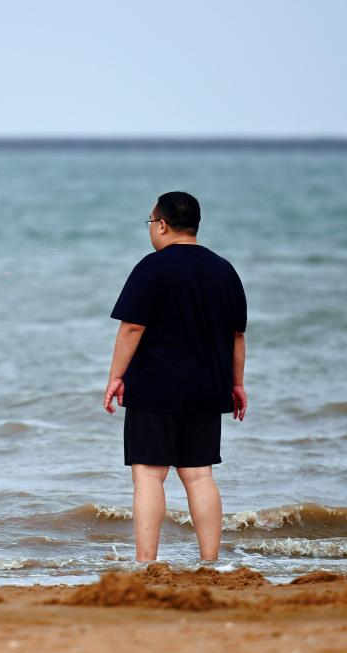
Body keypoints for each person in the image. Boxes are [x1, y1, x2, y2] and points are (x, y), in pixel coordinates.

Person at [103, 191, 247, 563]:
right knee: (200, 476)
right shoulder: (224, 270)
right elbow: (237, 336)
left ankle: (146, 562)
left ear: (162, 224)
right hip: (207, 387)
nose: (151, 229)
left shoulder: (152, 267)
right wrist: (236, 384)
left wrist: (115, 377)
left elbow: (133, 327)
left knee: (149, 476)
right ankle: (210, 562)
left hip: (155, 386)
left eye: (151, 222)